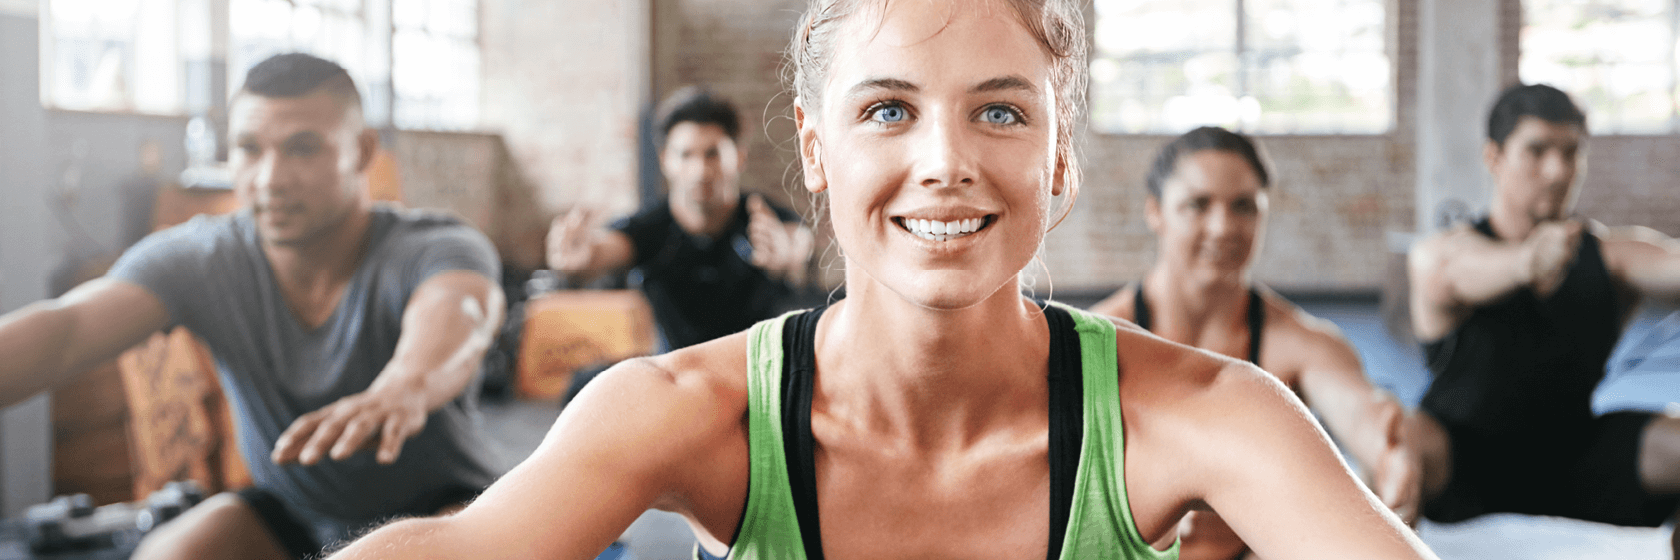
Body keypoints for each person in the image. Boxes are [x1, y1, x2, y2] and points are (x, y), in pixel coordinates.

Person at [328, 1, 1437, 559]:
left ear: (1058, 156)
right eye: (888, 109)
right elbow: (453, 549)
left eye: (999, 110)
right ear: (815, 148)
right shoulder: (682, 412)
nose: (946, 159)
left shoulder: (1208, 414)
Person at [0, 53, 506, 560]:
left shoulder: (433, 245)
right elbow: (66, 332)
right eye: (248, 149)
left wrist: (406, 386)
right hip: (289, 512)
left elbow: (462, 311)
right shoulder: (201, 258)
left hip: (447, 510)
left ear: (362, 150)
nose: (270, 178)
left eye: (302, 149)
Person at [1089, 126, 1421, 560]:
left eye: (1243, 206)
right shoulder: (1098, 338)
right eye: (1198, 204)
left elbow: (1357, 410)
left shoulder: (1302, 343)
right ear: (1156, 212)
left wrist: (1388, 454)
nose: (1224, 226)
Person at [1405, 82, 1680, 553]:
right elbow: (1448, 271)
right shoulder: (1445, 253)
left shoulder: (1609, 257)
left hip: (1574, 455)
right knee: (1396, 441)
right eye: (1536, 151)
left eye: (1571, 153)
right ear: (1494, 157)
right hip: (1464, 461)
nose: (1556, 171)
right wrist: (1526, 262)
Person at [546, 86, 814, 351]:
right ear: (665, 160)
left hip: (759, 375)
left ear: (739, 157)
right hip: (678, 379)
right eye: (686, 155)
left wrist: (786, 253)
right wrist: (586, 254)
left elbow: (799, 239)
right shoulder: (651, 228)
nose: (700, 170)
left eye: (713, 154)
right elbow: (610, 247)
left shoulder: (763, 220)